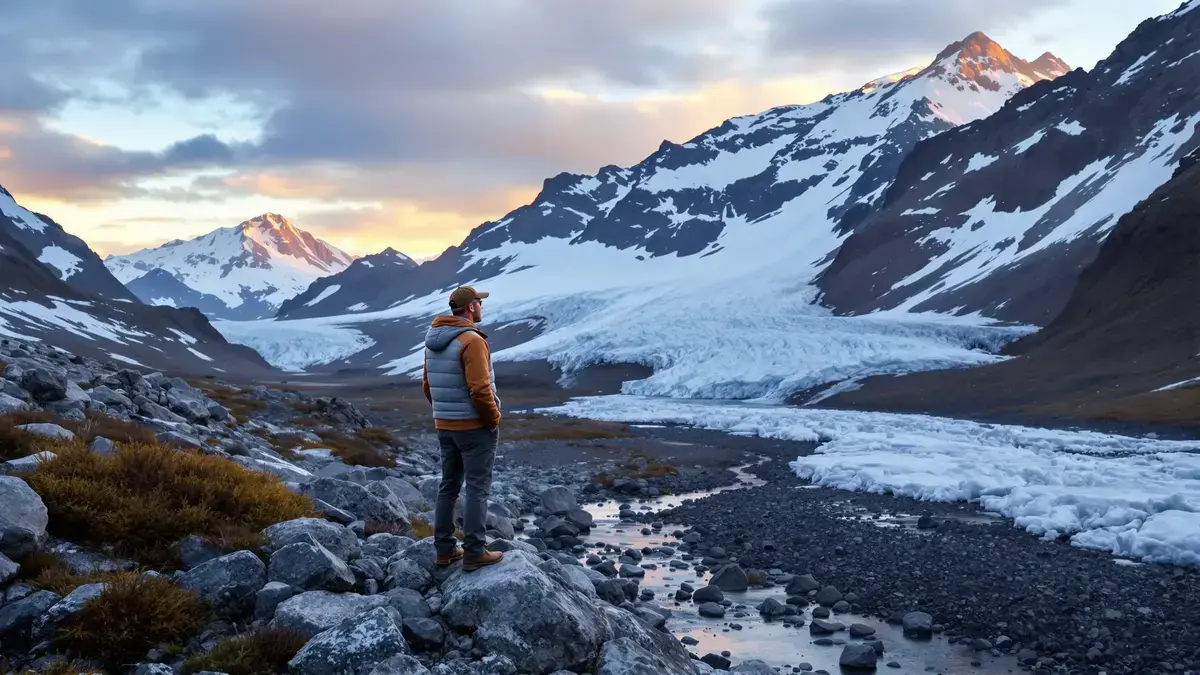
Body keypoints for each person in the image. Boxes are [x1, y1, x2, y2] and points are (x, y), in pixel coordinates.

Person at [422, 285, 504, 571]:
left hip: (445, 425)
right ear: (470, 308)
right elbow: (480, 389)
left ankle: (444, 550)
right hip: (474, 428)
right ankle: (474, 552)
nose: (481, 306)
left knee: (449, 487)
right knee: (477, 490)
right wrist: (492, 419)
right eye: (479, 302)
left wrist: (443, 413)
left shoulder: (434, 339)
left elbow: (427, 385)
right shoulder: (472, 340)